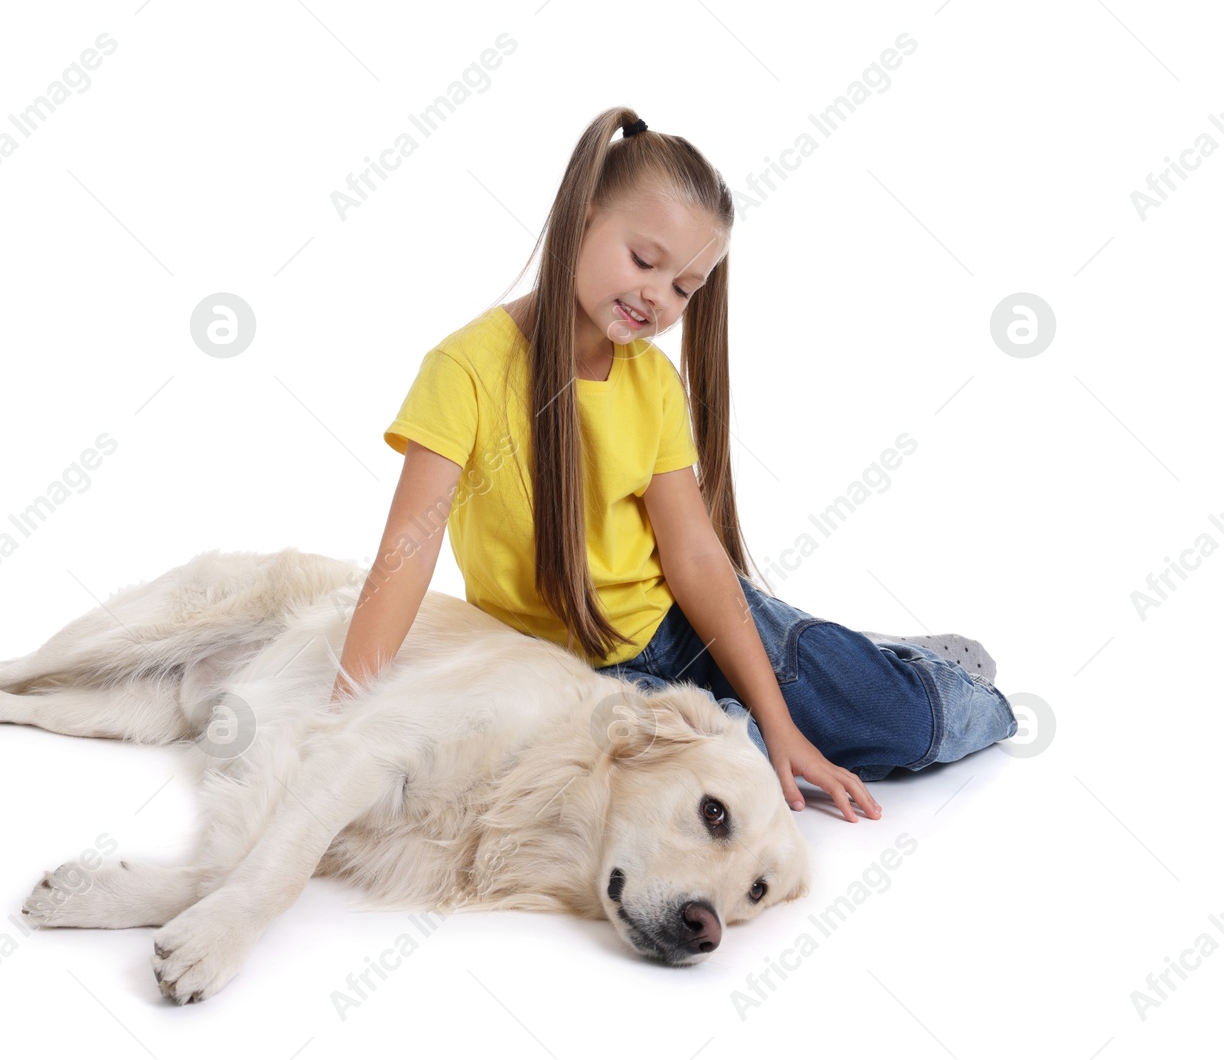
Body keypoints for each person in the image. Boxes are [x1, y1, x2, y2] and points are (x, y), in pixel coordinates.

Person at [329, 106, 1017, 824]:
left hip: (690, 623)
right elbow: (405, 554)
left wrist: (781, 721)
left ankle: (908, 673)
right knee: (733, 779)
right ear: (583, 217)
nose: (658, 297)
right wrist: (344, 723)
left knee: (901, 725)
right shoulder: (463, 368)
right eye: (643, 260)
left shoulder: (652, 381)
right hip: (580, 680)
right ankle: (840, 667)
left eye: (684, 289)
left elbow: (693, 555)